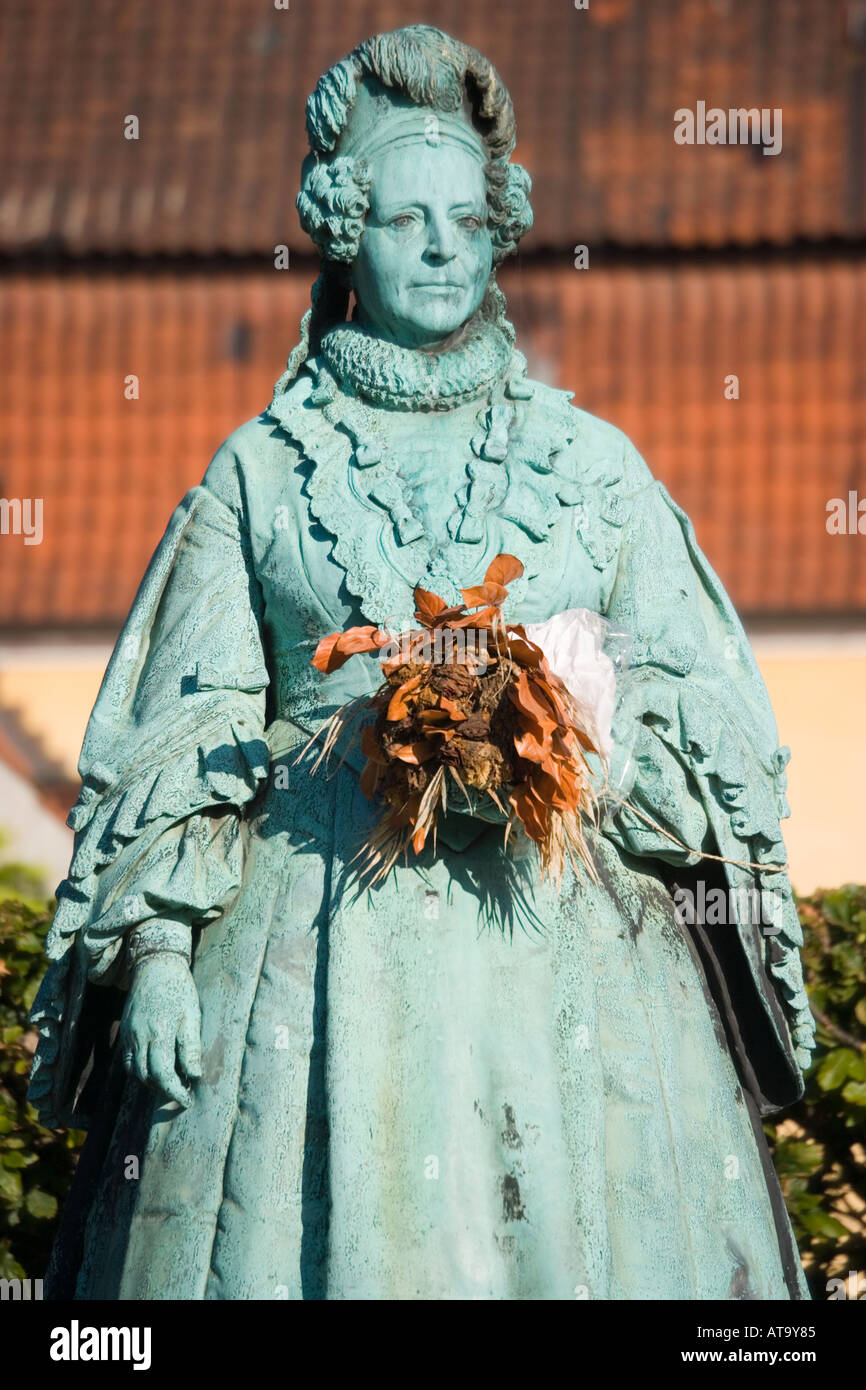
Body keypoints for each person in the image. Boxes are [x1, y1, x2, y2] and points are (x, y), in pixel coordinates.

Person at [30, 24, 813, 1300]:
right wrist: (162, 957)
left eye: (463, 216)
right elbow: (190, 723)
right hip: (301, 970)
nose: (441, 245)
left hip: (567, 979)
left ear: (499, 226)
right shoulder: (262, 471)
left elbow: (708, 720)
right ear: (347, 231)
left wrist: (567, 739)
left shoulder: (596, 469)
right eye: (405, 218)